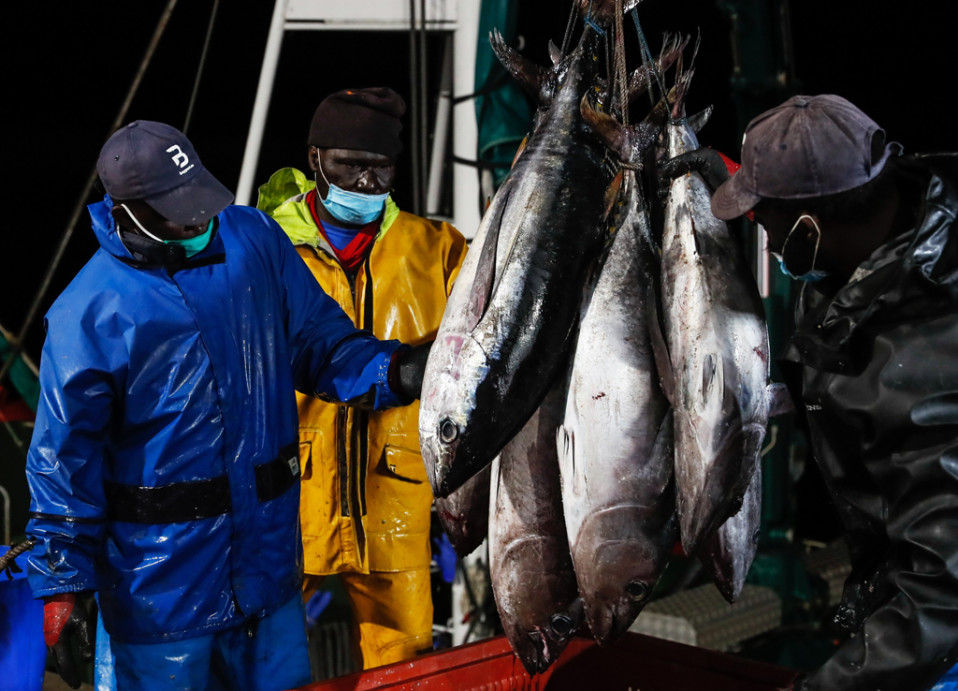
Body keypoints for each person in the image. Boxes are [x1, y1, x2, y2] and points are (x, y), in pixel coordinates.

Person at [26, 120, 428, 690]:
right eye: (177, 211)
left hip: (268, 582)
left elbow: (320, 343)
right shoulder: (88, 314)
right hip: (160, 603)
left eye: (200, 202)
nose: (197, 220)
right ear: (128, 211)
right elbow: (62, 463)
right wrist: (61, 587)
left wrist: (395, 370)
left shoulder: (255, 241)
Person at [694, 94, 958, 691]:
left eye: (767, 227)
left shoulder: (928, 364)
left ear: (811, 225)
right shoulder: (874, 255)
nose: (765, 246)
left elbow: (944, 595)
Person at [256, 86, 467, 670]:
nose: (367, 185)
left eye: (381, 170)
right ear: (316, 158)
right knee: (267, 665)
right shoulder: (263, 247)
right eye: (351, 166)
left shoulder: (439, 250)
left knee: (406, 670)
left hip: (395, 504)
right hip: (286, 502)